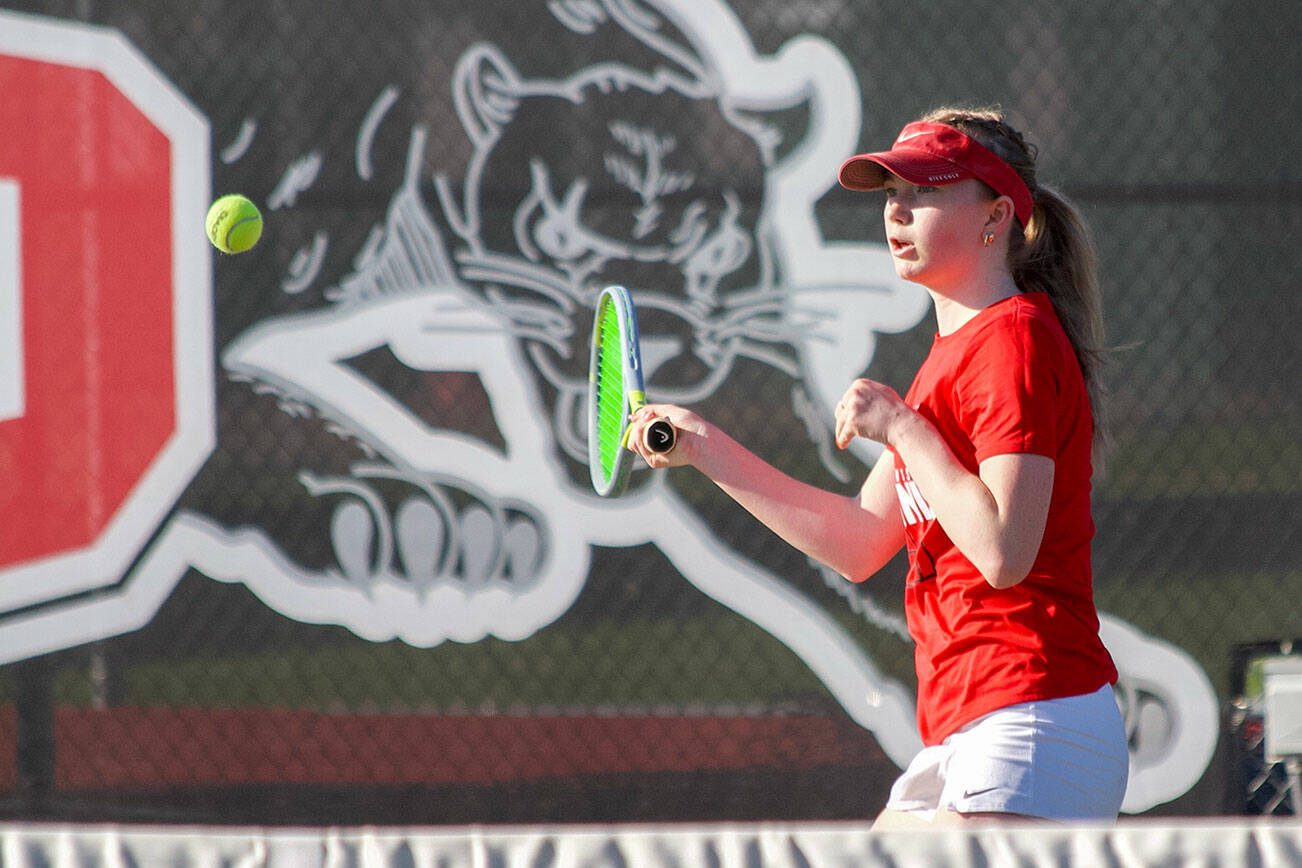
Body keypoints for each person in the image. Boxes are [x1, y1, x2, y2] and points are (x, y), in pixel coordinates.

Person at [625, 106, 1128, 827]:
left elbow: (1003, 551)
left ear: (996, 216)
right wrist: (705, 446)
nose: (897, 209)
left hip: (1033, 719)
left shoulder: (1013, 342)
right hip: (970, 724)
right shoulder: (951, 361)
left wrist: (901, 427)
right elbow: (860, 540)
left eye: (924, 191)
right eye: (891, 193)